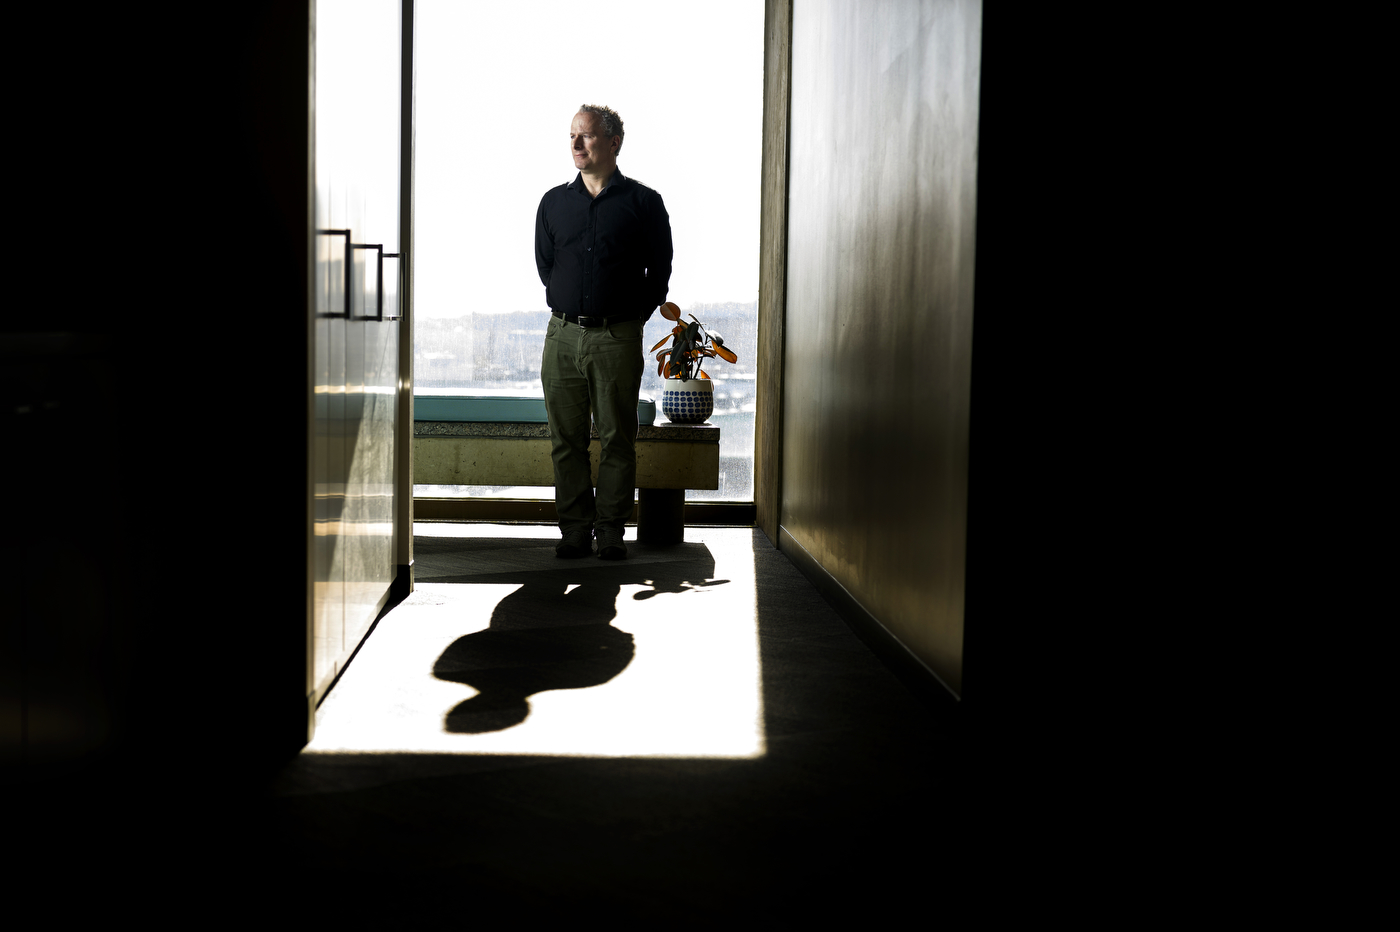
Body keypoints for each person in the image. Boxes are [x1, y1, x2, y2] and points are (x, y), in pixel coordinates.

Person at [535, 104, 673, 560]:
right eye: (572, 135)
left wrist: (631, 318)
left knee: (618, 437)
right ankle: (575, 530)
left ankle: (610, 532)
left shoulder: (644, 203)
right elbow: (547, 266)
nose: (576, 144)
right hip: (562, 337)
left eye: (587, 136)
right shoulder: (553, 203)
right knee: (565, 440)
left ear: (613, 143)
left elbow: (659, 272)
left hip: (617, 337)